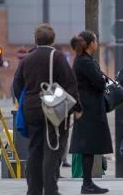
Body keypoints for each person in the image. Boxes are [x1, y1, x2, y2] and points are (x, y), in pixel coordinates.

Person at [13, 24, 82, 195]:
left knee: (34, 150)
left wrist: (27, 100)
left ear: (35, 39)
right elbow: (70, 83)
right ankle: (51, 189)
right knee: (53, 149)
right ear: (53, 39)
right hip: (52, 109)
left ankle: (34, 190)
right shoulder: (56, 57)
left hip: (31, 109)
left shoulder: (27, 59)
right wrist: (76, 108)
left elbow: (17, 85)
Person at [68, 31, 112, 194]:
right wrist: (102, 79)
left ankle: (88, 183)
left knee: (89, 147)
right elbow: (100, 83)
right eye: (95, 41)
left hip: (87, 107)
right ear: (90, 44)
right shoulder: (85, 62)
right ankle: (87, 184)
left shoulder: (82, 60)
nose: (97, 43)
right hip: (89, 109)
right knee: (88, 147)